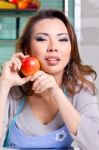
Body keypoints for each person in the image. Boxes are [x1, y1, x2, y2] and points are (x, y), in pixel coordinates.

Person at [0, 9, 99, 150]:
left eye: (62, 39)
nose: (53, 47)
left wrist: (57, 93)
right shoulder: (12, 90)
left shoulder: (81, 88)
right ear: (27, 49)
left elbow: (94, 145)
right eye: (42, 39)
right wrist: (4, 85)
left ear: (71, 50)